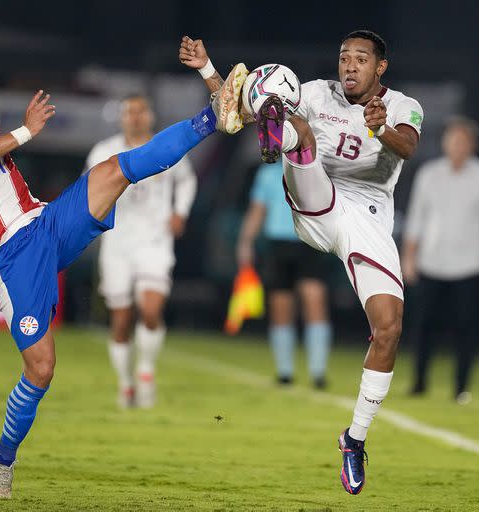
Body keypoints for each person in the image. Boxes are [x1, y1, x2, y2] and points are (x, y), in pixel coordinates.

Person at [0, 46, 247, 498]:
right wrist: (26, 132)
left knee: (117, 170)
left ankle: (211, 119)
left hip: (45, 223)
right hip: (10, 257)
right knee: (42, 369)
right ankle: (2, 462)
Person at [180, 30, 423, 495]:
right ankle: (282, 135)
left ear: (380, 68)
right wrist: (211, 72)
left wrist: (380, 128)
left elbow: (408, 146)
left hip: (369, 218)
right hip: (318, 200)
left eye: (360, 60)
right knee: (298, 124)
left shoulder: (403, 104)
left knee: (389, 328)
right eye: (344, 57)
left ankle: (354, 440)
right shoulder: (313, 92)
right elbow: (232, 110)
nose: (349, 66)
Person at [85, 95, 197, 409]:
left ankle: (146, 370)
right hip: (117, 244)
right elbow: (89, 187)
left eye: (140, 111)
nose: (134, 117)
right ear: (122, 117)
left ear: (149, 116)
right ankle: (125, 383)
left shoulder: (166, 146)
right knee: (120, 321)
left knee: (150, 311)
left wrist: (180, 211)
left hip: (155, 242)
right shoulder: (104, 151)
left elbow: (187, 181)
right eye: (129, 112)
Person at [401, 117, 479, 404]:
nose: (457, 146)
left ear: (473, 145)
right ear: (445, 143)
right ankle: (419, 382)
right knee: (423, 325)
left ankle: (461, 387)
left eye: (463, 141)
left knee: (466, 326)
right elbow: (416, 219)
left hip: (469, 264)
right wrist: (409, 257)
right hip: (431, 262)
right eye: (452, 140)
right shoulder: (429, 174)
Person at [237, 159, 332, 389]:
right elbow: (258, 209)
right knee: (281, 306)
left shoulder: (317, 168)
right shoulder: (268, 172)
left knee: (315, 300)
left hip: (311, 241)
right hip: (278, 244)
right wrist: (245, 242)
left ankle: (318, 372)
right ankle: (285, 372)